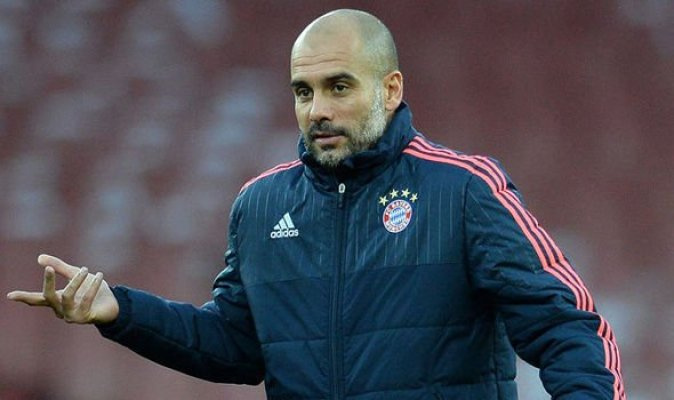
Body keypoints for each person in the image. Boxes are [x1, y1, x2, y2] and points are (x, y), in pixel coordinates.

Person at [7, 9, 625, 400]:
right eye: (303, 91)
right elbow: (237, 345)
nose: (317, 110)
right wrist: (120, 311)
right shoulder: (260, 204)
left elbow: (568, 326)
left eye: (339, 87)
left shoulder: (464, 189)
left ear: (390, 89)